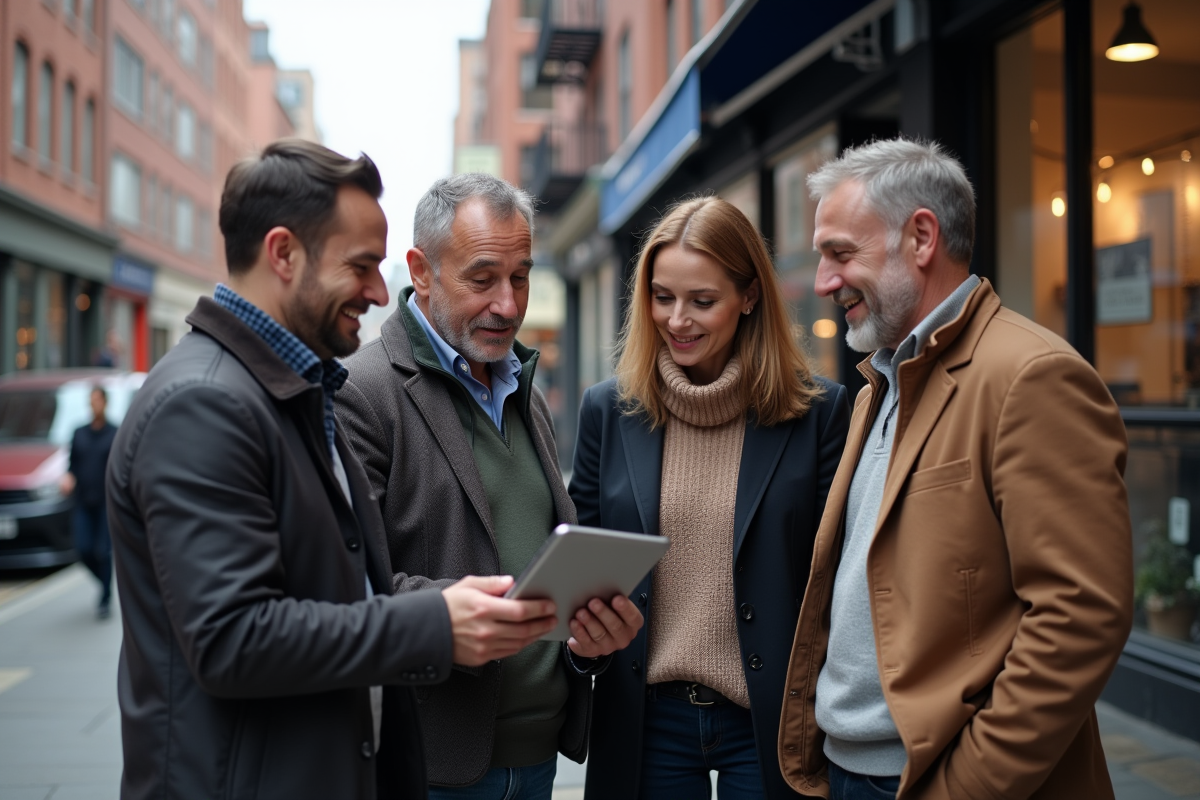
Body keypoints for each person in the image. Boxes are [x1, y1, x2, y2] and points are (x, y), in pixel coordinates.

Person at [106, 141, 560, 800]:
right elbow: (233, 637)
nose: (380, 292)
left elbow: (339, 589)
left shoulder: (289, 392)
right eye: (362, 267)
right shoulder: (203, 404)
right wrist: (435, 622)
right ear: (283, 253)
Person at [777, 138, 1133, 800]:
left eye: (841, 254)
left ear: (920, 237)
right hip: (850, 773)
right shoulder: (877, 387)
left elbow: (1079, 617)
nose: (824, 282)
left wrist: (965, 787)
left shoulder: (1032, 376)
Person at [336, 173, 644, 800]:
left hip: (540, 761)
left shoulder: (519, 386)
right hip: (435, 766)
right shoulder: (363, 394)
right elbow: (345, 588)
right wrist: (452, 615)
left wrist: (588, 641)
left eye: (522, 276)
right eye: (482, 279)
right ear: (421, 272)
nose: (508, 304)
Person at [568, 196, 850, 799]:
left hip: (772, 719)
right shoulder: (608, 410)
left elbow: (836, 578)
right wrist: (582, 639)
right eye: (662, 296)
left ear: (749, 297)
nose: (677, 320)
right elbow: (583, 570)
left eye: (702, 301)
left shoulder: (819, 413)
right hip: (647, 718)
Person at [61, 385, 117, 618]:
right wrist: (68, 478)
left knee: (103, 551)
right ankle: (104, 583)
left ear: (105, 402)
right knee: (83, 550)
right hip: (83, 500)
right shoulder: (79, 432)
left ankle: (105, 596)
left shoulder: (115, 432)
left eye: (97, 400)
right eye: (91, 400)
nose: (94, 404)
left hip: (105, 501)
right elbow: (72, 465)